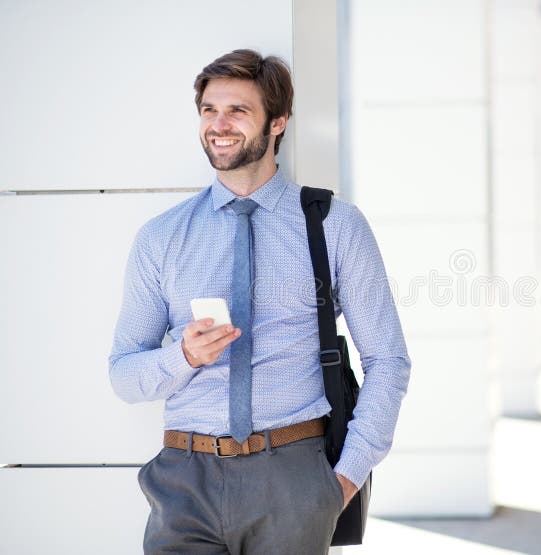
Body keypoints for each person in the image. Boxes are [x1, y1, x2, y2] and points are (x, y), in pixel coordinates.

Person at [108, 49, 411, 554]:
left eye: (237, 111)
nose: (218, 125)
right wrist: (182, 356)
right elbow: (123, 373)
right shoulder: (161, 238)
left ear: (278, 122)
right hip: (185, 480)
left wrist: (342, 481)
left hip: (293, 476)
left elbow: (389, 360)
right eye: (209, 110)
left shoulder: (335, 225)